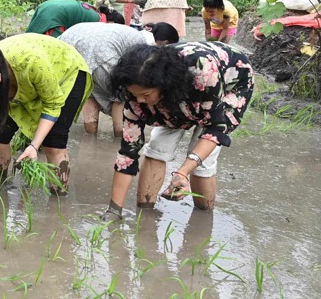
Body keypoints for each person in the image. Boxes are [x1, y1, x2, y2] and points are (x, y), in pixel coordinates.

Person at [102, 42, 253, 220]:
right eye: (135, 94)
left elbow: (215, 128)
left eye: (146, 94)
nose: (139, 100)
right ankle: (145, 215)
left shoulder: (203, 71)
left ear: (164, 86)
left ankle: (202, 220)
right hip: (174, 96)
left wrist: (183, 172)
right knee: (157, 147)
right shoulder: (136, 97)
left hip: (228, 83)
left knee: (203, 162)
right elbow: (127, 154)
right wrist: (113, 210)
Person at [0, 34, 91, 206]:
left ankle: (58, 201)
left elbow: (52, 104)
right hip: (19, 86)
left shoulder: (31, 62)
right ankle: (0, 185)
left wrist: (34, 146)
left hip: (65, 73)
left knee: (54, 142)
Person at [59, 22, 176, 137]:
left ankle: (90, 137)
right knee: (120, 96)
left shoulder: (131, 32)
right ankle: (120, 138)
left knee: (90, 93)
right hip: (101, 53)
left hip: (68, 46)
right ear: (165, 43)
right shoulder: (145, 46)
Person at [26, 0, 124, 37]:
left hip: (47, 5)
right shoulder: (97, 23)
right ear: (112, 23)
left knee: (33, 38)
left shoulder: (94, 12)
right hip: (55, 16)